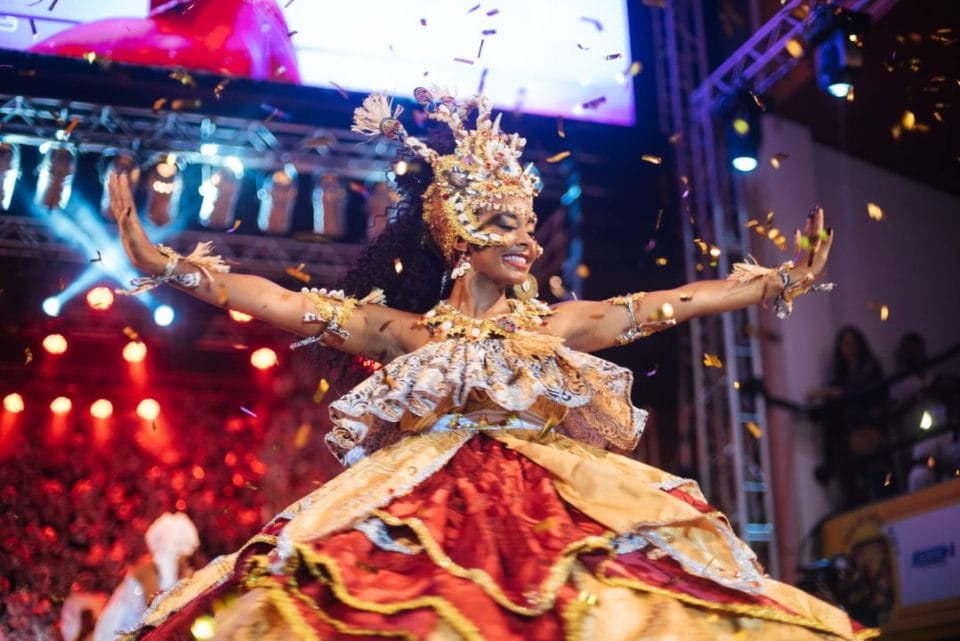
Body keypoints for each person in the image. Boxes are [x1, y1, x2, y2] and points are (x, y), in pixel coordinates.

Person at [107, 88, 871, 640]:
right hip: (424, 510)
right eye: (506, 223)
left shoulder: (560, 324)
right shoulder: (405, 333)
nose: (528, 241)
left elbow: (671, 302)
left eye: (529, 225)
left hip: (557, 513)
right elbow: (277, 302)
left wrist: (773, 282)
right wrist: (165, 262)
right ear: (462, 233)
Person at [807, 326, 889, 504]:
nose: (848, 347)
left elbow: (856, 392)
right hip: (849, 429)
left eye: (852, 343)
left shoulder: (869, 367)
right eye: (844, 343)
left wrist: (823, 392)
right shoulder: (843, 374)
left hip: (870, 422)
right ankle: (852, 495)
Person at [92, 513, 199, 641]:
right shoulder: (148, 570)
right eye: (185, 558)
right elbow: (157, 609)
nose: (186, 563)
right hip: (118, 633)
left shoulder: (170, 575)